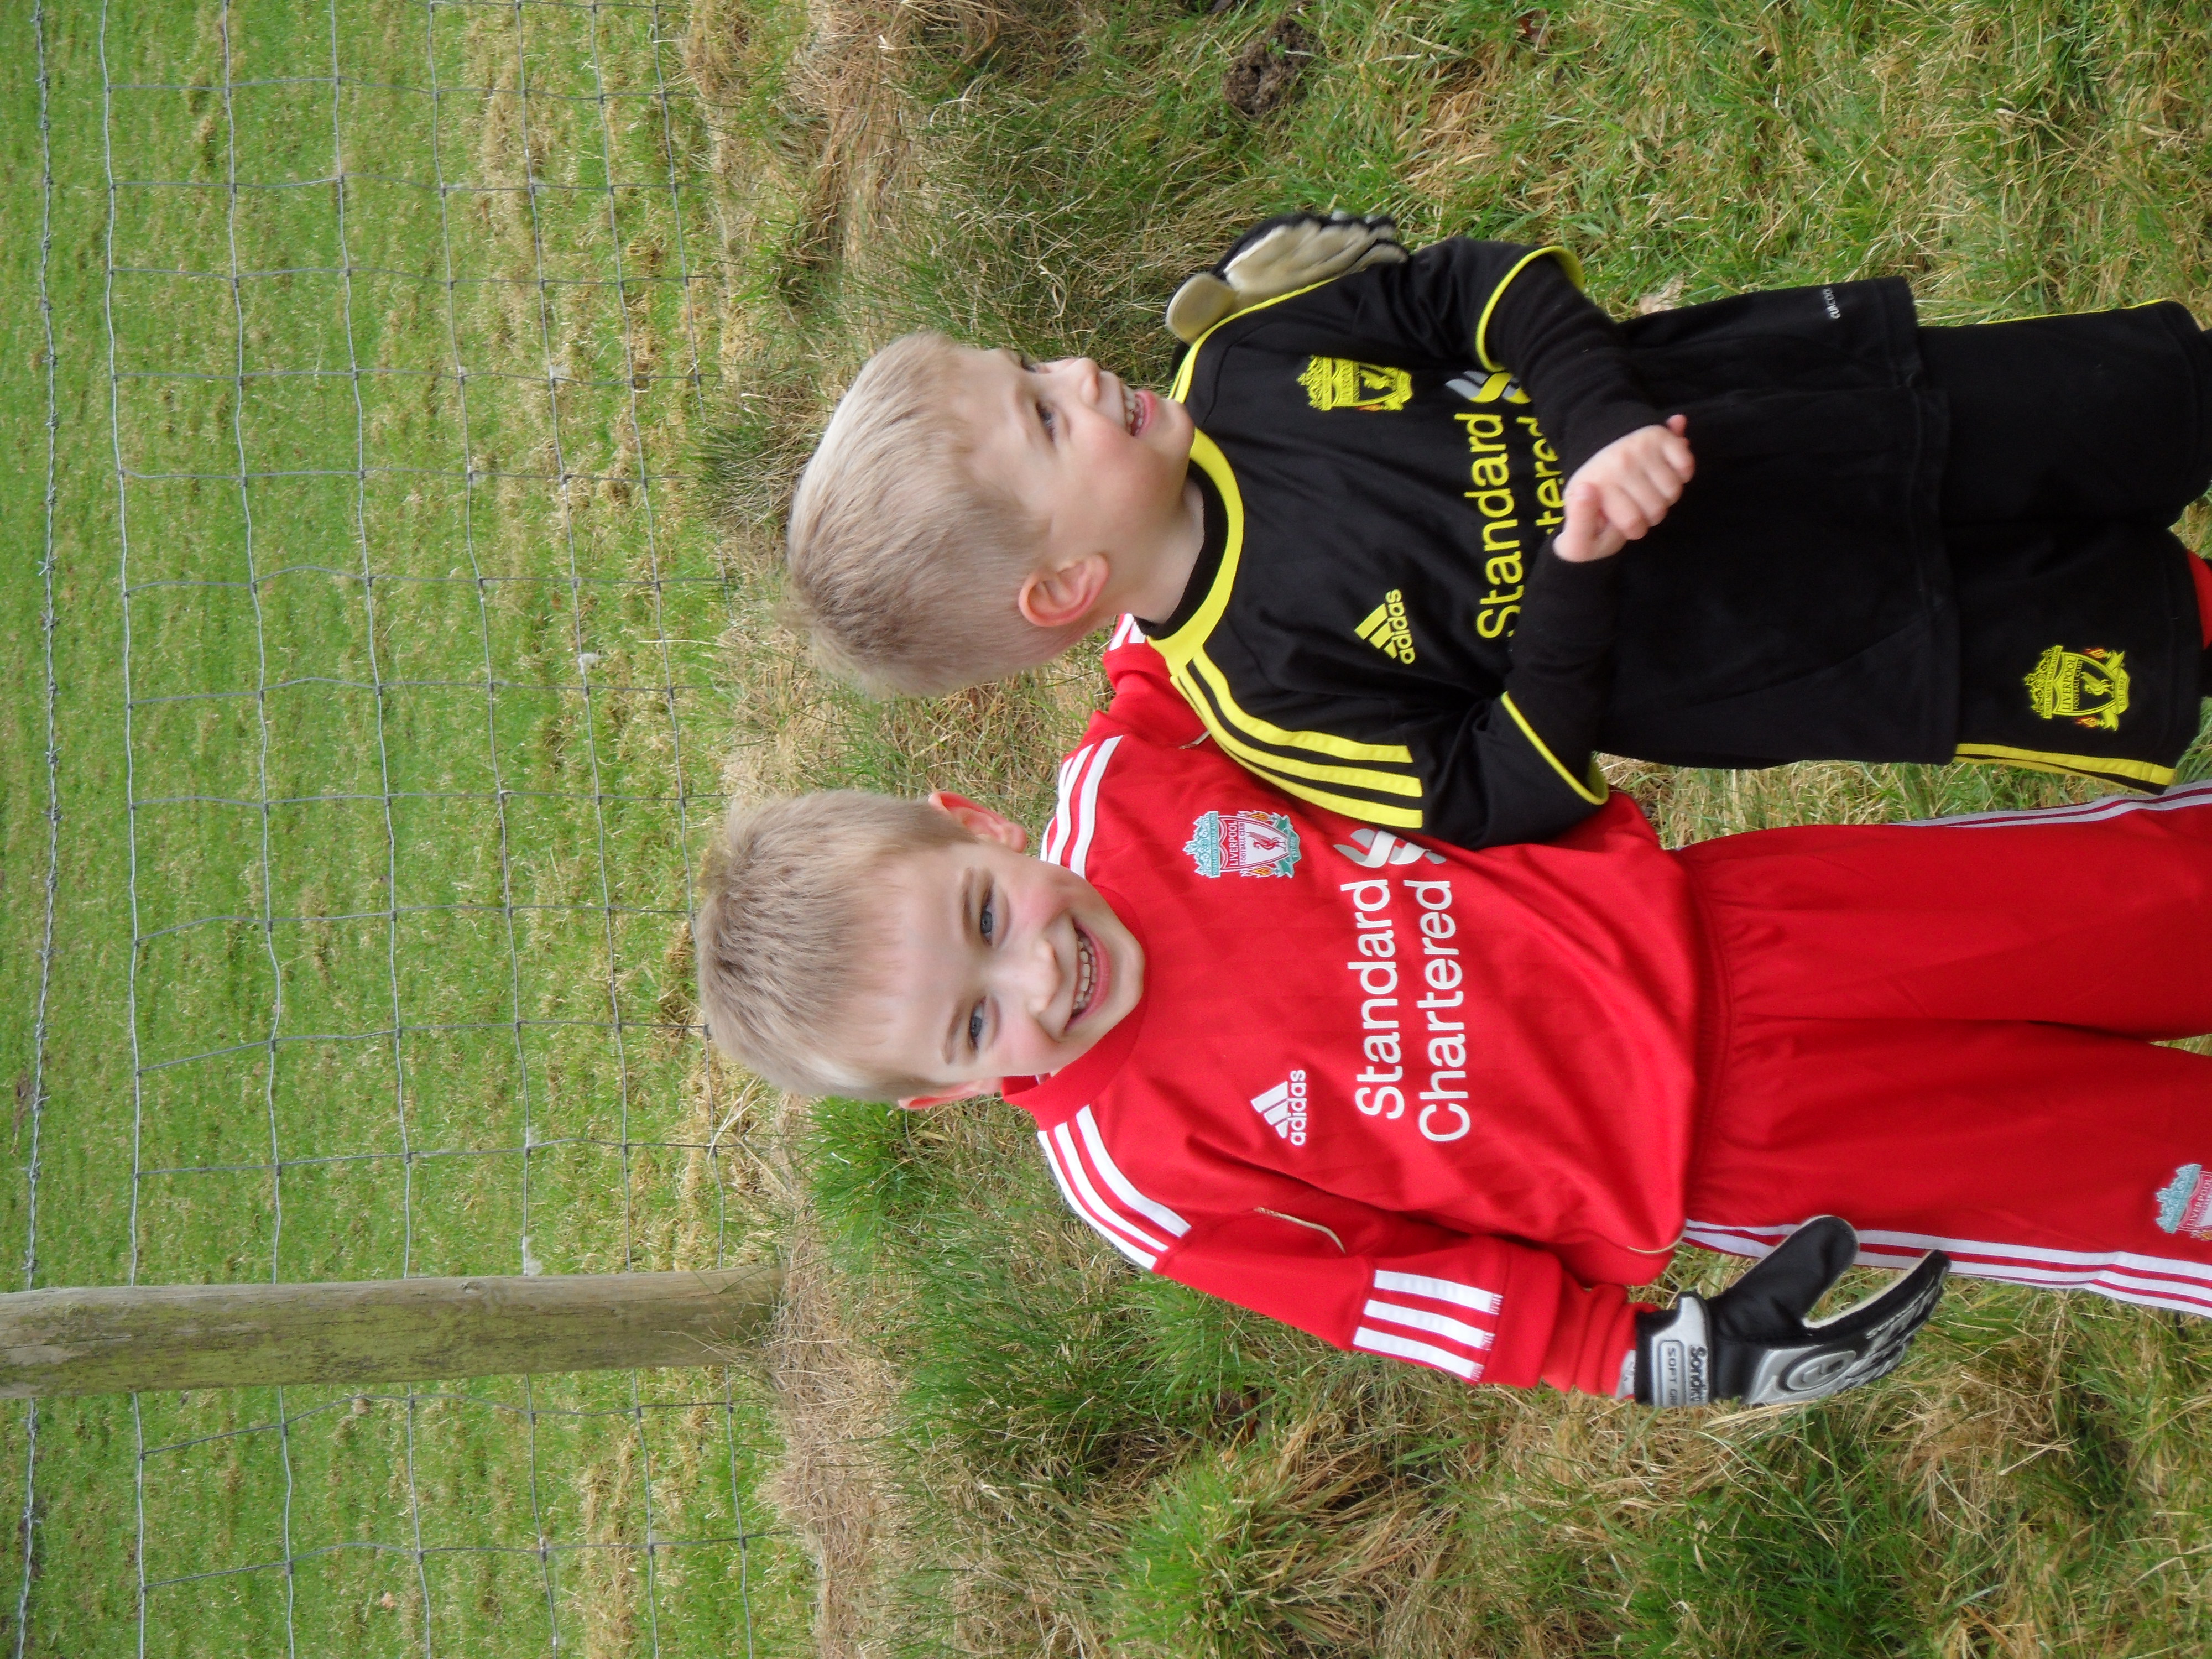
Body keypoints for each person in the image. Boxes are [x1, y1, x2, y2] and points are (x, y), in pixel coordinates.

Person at [695, 630, 2212, 1407]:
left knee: (2154, 901)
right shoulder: (1137, 1181)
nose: (1038, 979)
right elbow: (1390, 1297)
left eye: (984, 918)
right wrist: (1648, 1357)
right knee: (2145, 1182)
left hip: (1758, 923)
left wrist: (1240, 386)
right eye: (975, 1028)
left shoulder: (1137, 771)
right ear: (949, 1096)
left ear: (974, 821)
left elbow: (1208, 604)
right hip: (1757, 1150)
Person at [785, 214, 2212, 848]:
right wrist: (1576, 579)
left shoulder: (1244, 363)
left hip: (1836, 414)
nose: (1082, 372)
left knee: (2157, 404)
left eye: (1032, 367)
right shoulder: (1265, 699)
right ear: (1065, 587)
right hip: (1838, 638)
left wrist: (1597, 418)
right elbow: (1496, 792)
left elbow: (1473, 286)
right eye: (1046, 419)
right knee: (2165, 637)